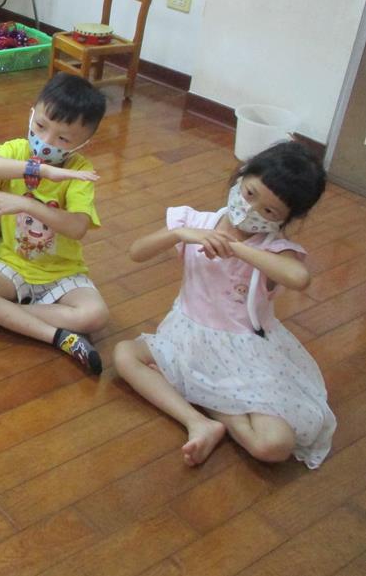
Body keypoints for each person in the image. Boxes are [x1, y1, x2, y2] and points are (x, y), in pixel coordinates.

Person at [114, 141, 334, 469]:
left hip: (245, 354)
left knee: (274, 445)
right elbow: (137, 252)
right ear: (241, 175)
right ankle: (198, 421)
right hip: (187, 338)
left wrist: (236, 248)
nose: (251, 210)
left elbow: (299, 277)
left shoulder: (275, 248)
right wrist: (181, 234)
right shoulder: (196, 221)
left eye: (269, 212)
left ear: (287, 219)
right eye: (249, 193)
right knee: (124, 354)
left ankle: (210, 404)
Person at [0, 73, 109, 374]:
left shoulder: (80, 172)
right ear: (32, 114)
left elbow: (77, 227)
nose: (46, 142)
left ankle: (5, 314)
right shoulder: (18, 150)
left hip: (62, 272)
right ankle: (59, 338)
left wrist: (28, 205)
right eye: (41, 126)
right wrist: (40, 171)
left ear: (84, 143)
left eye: (63, 138)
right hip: (12, 264)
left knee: (96, 315)